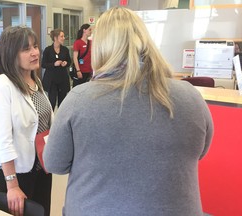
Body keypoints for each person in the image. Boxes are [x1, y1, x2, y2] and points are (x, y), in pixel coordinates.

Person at [43, 7, 214, 216]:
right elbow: (200, 151)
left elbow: (55, 163)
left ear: (102, 47)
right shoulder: (190, 96)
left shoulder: (79, 100)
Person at [0, 26, 53, 216]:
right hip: (18, 172)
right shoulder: (2, 86)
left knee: (42, 212)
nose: (35, 53)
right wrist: (12, 184)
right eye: (26, 49)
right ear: (10, 54)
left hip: (41, 165)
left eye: (35, 46)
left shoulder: (34, 80)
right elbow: (3, 139)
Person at [42, 29, 71, 109]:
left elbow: (69, 61)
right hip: (52, 80)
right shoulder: (48, 50)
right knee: (52, 102)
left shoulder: (65, 50)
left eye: (63, 36)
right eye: (61, 36)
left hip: (62, 79)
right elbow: (43, 64)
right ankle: (51, 120)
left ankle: (61, 120)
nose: (64, 38)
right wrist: (54, 64)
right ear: (55, 38)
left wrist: (66, 63)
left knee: (62, 103)